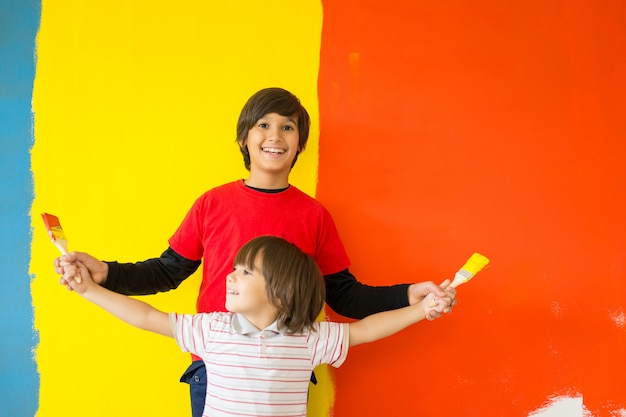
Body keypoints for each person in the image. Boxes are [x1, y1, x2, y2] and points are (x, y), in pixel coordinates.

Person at [55, 87, 457, 417]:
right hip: (214, 368)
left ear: (300, 144)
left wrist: (409, 296)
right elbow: (166, 272)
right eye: (263, 125)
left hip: (286, 365)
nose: (275, 136)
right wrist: (104, 273)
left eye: (288, 127)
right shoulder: (212, 204)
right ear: (245, 137)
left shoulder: (314, 215)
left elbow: (345, 295)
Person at [59, 236, 454, 417]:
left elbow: (367, 329)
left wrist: (422, 310)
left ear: (281, 291)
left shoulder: (309, 337)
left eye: (245, 272)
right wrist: (89, 290)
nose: (230, 277)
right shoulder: (212, 330)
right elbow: (147, 317)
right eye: (235, 268)